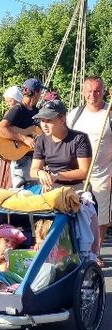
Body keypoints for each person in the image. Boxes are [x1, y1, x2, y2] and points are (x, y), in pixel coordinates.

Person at [67, 76, 112, 258]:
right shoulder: (75, 114)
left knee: (101, 216)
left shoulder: (109, 113)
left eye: (97, 91)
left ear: (103, 91)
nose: (93, 94)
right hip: (78, 171)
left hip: (103, 172)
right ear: (83, 92)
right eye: (89, 91)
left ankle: (96, 253)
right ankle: (77, 252)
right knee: (75, 210)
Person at [29, 99, 92, 193]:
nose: (44, 125)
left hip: (75, 189)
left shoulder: (80, 138)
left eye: (49, 120)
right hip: (51, 188)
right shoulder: (41, 140)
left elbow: (84, 172)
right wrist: (40, 172)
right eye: (42, 120)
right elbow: (33, 171)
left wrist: (57, 176)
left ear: (62, 119)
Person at [0, 78, 45, 188]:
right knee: (24, 193)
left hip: (33, 159)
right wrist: (24, 138)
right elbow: (1, 129)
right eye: (40, 92)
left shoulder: (36, 111)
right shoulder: (18, 109)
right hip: (20, 160)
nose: (41, 95)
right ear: (36, 93)